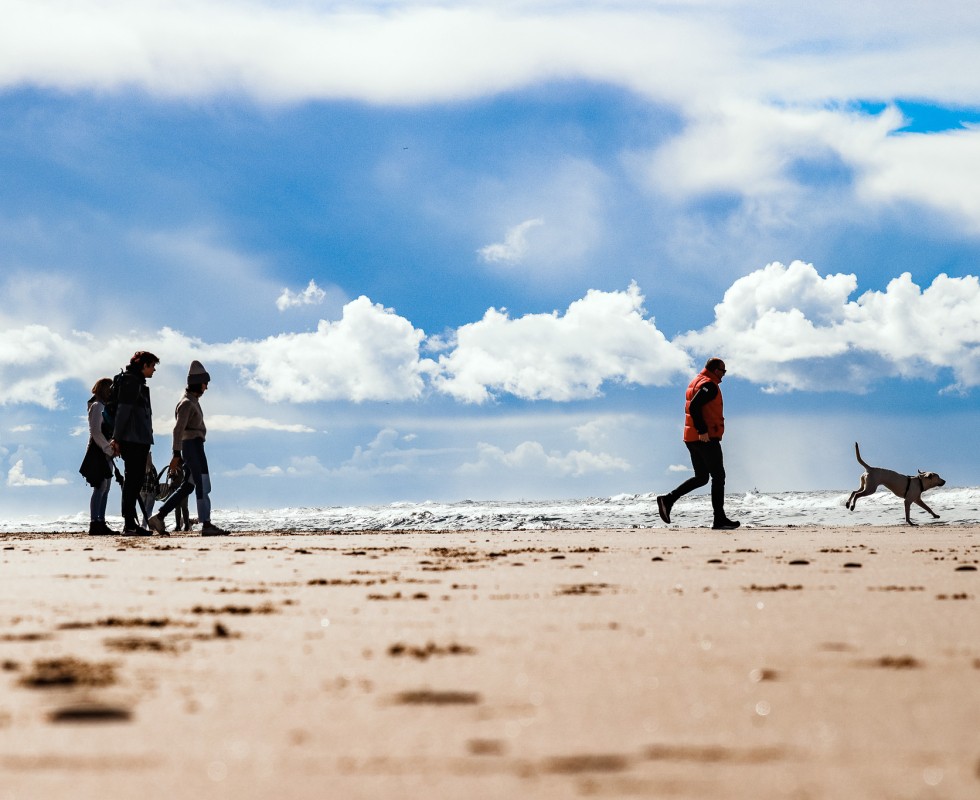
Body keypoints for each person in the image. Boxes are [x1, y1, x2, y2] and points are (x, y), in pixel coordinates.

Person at [657, 357, 740, 530]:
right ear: (715, 370)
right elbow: (694, 407)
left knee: (702, 477)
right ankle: (719, 519)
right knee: (718, 476)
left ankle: (668, 499)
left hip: (691, 437)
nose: (724, 374)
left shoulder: (696, 381)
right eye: (723, 371)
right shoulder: (709, 385)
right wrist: (703, 431)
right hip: (705, 438)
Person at [148, 361, 227, 536]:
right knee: (202, 484)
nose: (206, 388)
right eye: (205, 383)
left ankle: (159, 516)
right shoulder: (186, 403)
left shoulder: (191, 401)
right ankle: (206, 524)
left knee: (188, 487)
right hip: (192, 447)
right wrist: (176, 454)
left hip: (194, 447)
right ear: (198, 383)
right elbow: (177, 430)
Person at [108, 351, 159, 535]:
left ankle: (131, 524)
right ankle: (129, 524)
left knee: (134, 482)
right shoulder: (132, 382)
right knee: (132, 482)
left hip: (137, 439)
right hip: (133, 439)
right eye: (152, 365)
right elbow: (123, 411)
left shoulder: (136, 382)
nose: (154, 370)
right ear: (144, 365)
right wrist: (117, 438)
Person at [78, 378, 117, 535]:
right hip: (98, 450)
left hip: (104, 450)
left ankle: (100, 521)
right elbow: (95, 431)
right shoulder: (97, 406)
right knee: (100, 487)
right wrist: (108, 449)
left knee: (105, 488)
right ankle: (95, 522)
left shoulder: (103, 407)